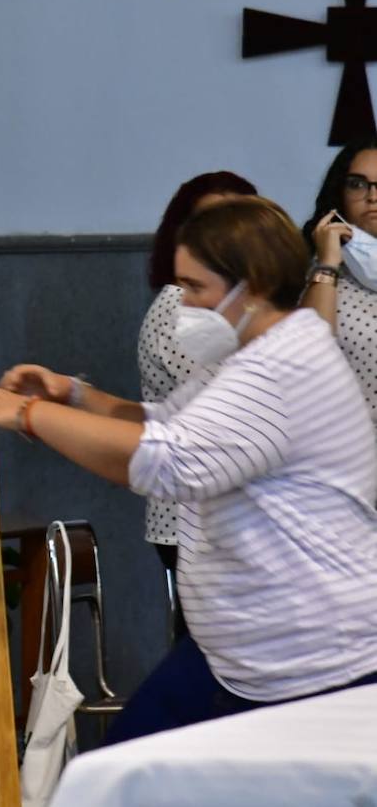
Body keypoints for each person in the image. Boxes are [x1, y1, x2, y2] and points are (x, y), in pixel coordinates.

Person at [0, 198, 377, 743]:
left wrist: (27, 415)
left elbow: (166, 460)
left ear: (249, 285)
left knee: (128, 774)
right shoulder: (260, 353)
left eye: (195, 288)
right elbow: (168, 421)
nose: (183, 305)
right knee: (123, 774)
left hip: (309, 653)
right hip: (241, 651)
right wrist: (74, 394)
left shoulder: (280, 369)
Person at [136, 171, 257, 636]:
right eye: (210, 223)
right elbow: (224, 414)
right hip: (194, 521)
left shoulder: (236, 303)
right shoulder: (179, 306)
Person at [301, 137, 377, 423]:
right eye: (357, 184)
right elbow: (310, 353)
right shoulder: (319, 268)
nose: (372, 196)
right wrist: (328, 263)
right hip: (351, 450)